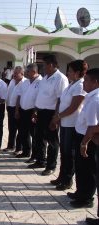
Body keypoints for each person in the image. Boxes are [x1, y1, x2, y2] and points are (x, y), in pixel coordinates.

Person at [49, 60, 87, 191]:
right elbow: (63, 102)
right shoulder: (71, 84)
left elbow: (74, 107)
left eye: (70, 71)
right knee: (64, 152)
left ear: (77, 73)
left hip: (72, 124)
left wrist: (59, 116)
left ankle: (67, 179)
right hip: (65, 122)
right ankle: (62, 176)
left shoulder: (80, 86)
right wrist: (58, 117)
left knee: (69, 153)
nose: (68, 73)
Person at [28, 54, 68, 176]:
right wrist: (35, 110)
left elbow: (60, 99)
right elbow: (40, 95)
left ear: (51, 65)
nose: (43, 67)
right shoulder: (45, 78)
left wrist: (55, 118)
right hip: (40, 111)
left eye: (44, 65)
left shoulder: (60, 78)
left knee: (52, 141)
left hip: (51, 113)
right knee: (39, 137)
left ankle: (51, 166)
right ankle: (41, 161)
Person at [66, 68, 99, 211]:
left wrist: (84, 143)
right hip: (82, 135)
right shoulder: (91, 96)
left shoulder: (95, 100)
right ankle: (80, 193)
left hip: (88, 139)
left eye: (86, 80)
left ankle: (86, 198)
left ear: (95, 82)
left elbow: (93, 126)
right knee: (80, 168)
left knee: (87, 170)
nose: (83, 83)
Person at [15, 63, 42, 161]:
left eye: (27, 71)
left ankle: (35, 155)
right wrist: (17, 110)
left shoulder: (41, 82)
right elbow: (19, 96)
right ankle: (26, 151)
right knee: (23, 133)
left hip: (33, 112)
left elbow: (40, 99)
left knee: (34, 135)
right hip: (23, 111)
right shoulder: (25, 82)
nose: (25, 73)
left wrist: (35, 112)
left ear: (34, 72)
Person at [5, 66, 26, 154]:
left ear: (22, 74)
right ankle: (10, 145)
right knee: (11, 128)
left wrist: (17, 110)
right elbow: (8, 94)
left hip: (19, 109)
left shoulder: (25, 83)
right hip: (10, 107)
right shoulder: (12, 81)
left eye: (16, 73)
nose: (14, 75)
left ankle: (19, 148)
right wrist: (7, 105)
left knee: (19, 129)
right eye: (14, 73)